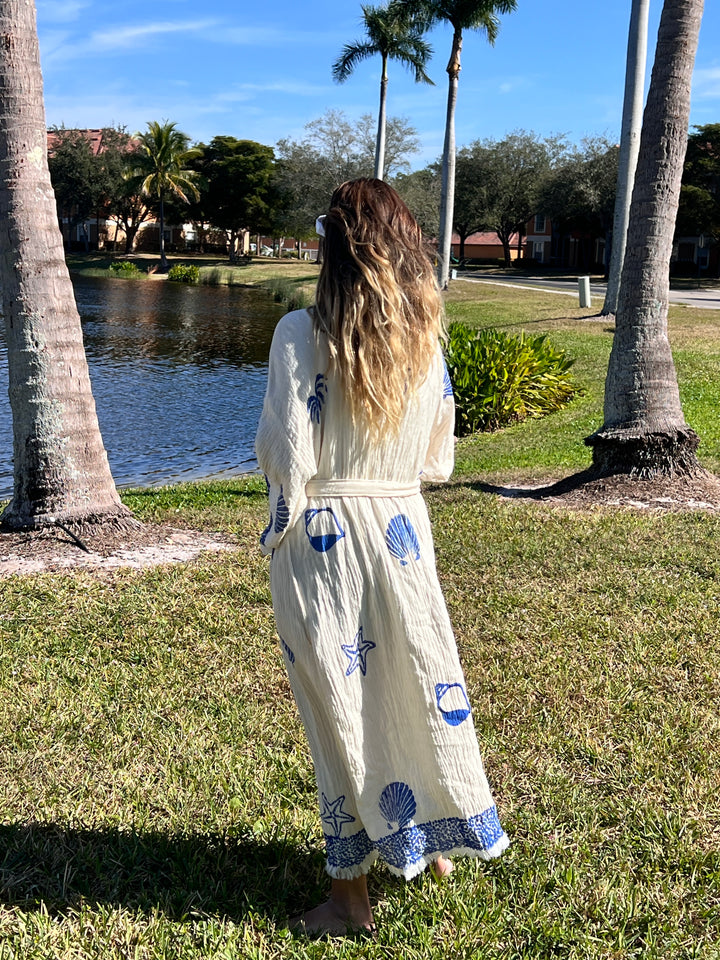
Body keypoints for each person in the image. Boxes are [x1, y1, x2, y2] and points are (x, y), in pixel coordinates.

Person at [255, 179, 508, 936]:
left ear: (333, 247)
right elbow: (438, 457)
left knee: (341, 711)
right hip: (402, 530)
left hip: (324, 537)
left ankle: (349, 901)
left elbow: (286, 452)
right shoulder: (427, 339)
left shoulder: (299, 333)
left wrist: (280, 523)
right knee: (416, 684)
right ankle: (432, 844)